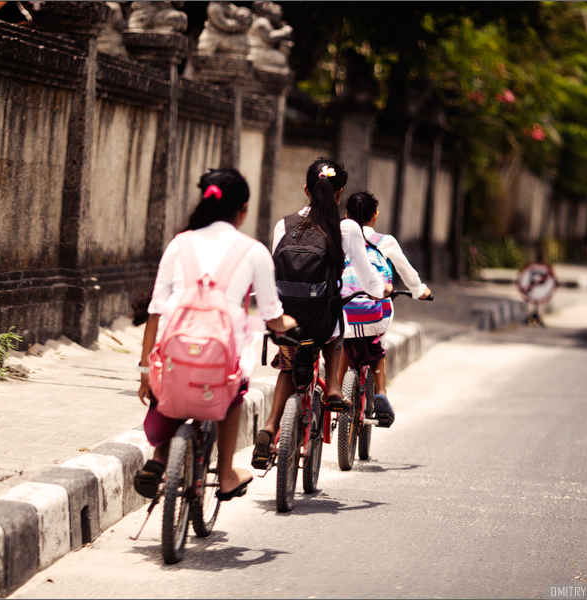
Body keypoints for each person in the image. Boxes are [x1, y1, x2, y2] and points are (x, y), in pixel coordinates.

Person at [134, 168, 297, 501]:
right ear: (244, 209)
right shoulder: (253, 251)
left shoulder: (180, 244)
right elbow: (271, 315)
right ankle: (224, 475)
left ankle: (160, 457)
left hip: (173, 348)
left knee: (169, 378)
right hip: (221, 356)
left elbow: (155, 309)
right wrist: (289, 325)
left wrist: (144, 372)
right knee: (235, 388)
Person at [252, 158, 388, 469]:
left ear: (306, 189)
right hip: (322, 319)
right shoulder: (347, 227)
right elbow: (367, 279)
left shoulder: (283, 224)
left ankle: (270, 427)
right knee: (338, 325)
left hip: (287, 318)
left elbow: (273, 272)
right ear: (340, 194)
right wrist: (379, 291)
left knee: (288, 368)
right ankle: (336, 388)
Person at [337, 191, 432, 426]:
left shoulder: (338, 238)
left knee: (342, 343)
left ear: (346, 216)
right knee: (377, 350)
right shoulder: (385, 241)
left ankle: (336, 390)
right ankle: (381, 392)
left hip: (343, 313)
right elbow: (406, 271)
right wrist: (420, 291)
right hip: (373, 315)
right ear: (375, 216)